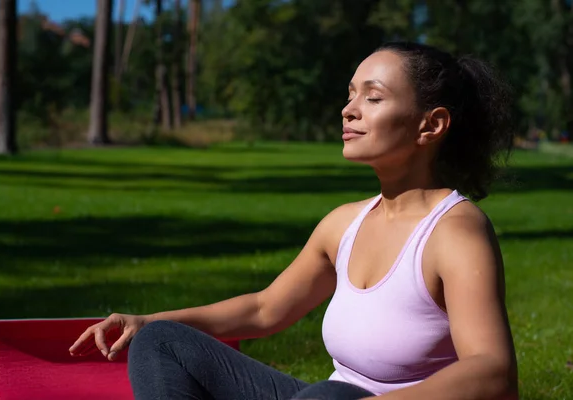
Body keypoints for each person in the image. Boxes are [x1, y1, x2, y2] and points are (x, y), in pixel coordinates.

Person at [70, 41, 519, 400]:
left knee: (328, 396)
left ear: (431, 125)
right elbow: (266, 309)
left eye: (373, 97)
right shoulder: (344, 224)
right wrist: (147, 321)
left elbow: (491, 371)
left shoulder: (455, 232)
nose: (349, 110)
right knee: (163, 342)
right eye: (351, 95)